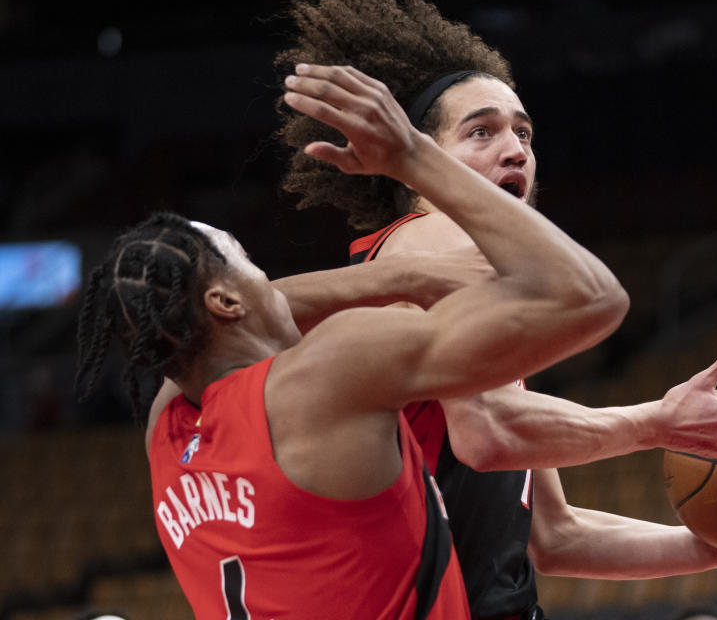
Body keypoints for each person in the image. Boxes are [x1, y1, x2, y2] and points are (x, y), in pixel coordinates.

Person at [275, 0, 717, 620]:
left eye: (523, 133)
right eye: (481, 133)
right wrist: (654, 423)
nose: (516, 149)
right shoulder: (430, 241)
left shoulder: (482, 284)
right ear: (418, 158)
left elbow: (553, 534)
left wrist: (711, 549)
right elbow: (486, 434)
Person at [74, 63, 629, 619]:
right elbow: (591, 297)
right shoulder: (331, 375)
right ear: (224, 303)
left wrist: (394, 278)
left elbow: (214, 323)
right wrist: (413, 158)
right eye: (247, 261)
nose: (268, 277)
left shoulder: (166, 425)